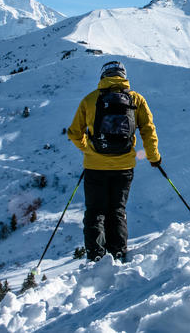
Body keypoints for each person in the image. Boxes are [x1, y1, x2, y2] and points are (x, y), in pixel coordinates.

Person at [67, 60, 160, 261]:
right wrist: (154, 157)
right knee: (117, 210)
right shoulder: (136, 99)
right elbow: (148, 130)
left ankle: (96, 255)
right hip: (124, 166)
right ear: (123, 76)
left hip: (94, 166)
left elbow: (74, 133)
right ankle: (117, 252)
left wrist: (88, 149)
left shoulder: (90, 100)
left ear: (103, 76)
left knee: (95, 211)